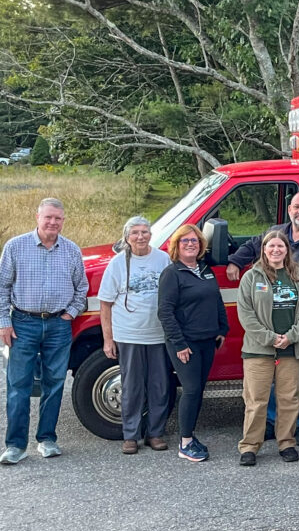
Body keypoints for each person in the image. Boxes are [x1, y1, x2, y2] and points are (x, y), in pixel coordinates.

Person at [227, 191, 299, 447]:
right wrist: (236, 261)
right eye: (296, 207)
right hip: (273, 324)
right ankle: (272, 423)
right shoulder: (276, 233)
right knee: (271, 375)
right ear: (289, 210)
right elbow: (252, 246)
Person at [0, 198, 88, 465]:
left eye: (58, 219)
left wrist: (69, 314)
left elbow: (81, 288)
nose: (52, 222)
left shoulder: (71, 250)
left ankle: (47, 439)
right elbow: (2, 287)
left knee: (55, 383)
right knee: (18, 385)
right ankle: (15, 445)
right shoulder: (15, 246)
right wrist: (4, 322)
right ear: (37, 217)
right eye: (48, 217)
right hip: (22, 324)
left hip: (58, 326)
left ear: (63, 221)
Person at [236, 230, 299, 466]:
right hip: (258, 350)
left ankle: (287, 443)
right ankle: (250, 446)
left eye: (280, 246)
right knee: (256, 400)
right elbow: (246, 314)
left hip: (292, 348)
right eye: (271, 246)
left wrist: (291, 336)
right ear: (264, 249)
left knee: (289, 399)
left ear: (287, 250)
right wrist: (270, 338)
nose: (276, 250)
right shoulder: (251, 277)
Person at [98, 216, 172, 455]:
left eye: (144, 232)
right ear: (126, 237)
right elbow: (105, 304)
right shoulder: (117, 264)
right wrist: (108, 339)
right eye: (135, 233)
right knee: (132, 387)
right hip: (128, 335)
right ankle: (131, 435)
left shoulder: (163, 259)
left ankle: (156, 433)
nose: (140, 236)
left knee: (160, 386)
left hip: (159, 335)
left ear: (151, 234)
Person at [158, 224, 229, 463]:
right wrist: (179, 344)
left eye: (195, 241)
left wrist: (222, 328)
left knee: (199, 389)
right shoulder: (172, 274)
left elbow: (216, 299)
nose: (190, 244)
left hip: (207, 341)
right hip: (185, 343)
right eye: (185, 241)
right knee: (190, 390)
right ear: (176, 246)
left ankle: (191, 437)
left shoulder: (204, 270)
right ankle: (185, 442)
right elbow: (165, 312)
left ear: (201, 245)